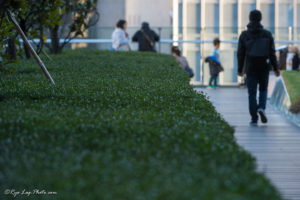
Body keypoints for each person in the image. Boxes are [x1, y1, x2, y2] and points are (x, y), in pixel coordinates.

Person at [237, 10, 280, 126]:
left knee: (251, 92)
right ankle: (261, 107)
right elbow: (272, 53)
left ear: (250, 19)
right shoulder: (267, 34)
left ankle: (254, 118)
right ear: (260, 19)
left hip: (251, 66)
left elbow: (240, 53)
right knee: (263, 89)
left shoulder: (244, 35)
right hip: (264, 65)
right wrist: (276, 68)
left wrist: (240, 69)